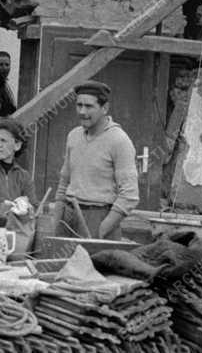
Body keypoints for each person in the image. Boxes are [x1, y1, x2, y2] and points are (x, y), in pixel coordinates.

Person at [53, 80, 139, 239]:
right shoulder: (73, 136)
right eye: (79, 105)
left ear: (105, 108)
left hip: (99, 217)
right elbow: (64, 182)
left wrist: (101, 230)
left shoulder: (119, 140)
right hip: (69, 217)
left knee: (94, 264)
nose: (82, 111)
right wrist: (56, 223)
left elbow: (130, 195)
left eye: (89, 106)